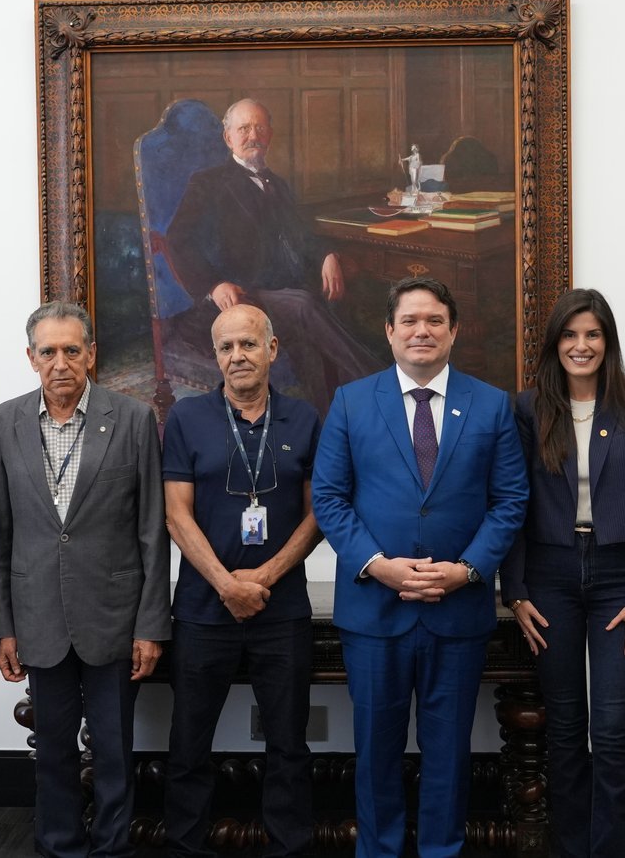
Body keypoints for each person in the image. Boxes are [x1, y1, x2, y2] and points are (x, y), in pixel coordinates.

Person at [312, 277, 527, 858]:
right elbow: (329, 498)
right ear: (389, 331)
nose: (421, 331)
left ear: (454, 331)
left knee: (450, 753)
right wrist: (377, 565)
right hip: (374, 611)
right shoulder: (351, 401)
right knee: (375, 751)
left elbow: (510, 500)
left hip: (457, 610)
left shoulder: (492, 404)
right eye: (409, 320)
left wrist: (468, 570)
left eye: (434, 320)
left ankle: (441, 850)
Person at [0, 301, 171, 858]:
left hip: (115, 617)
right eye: (48, 351)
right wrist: (1, 627)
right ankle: (59, 844)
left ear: (91, 353)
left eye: (71, 350)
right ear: (30, 357)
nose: (60, 363)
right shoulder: (4, 422)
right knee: (52, 752)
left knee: (114, 750)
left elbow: (152, 531)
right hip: (38, 616)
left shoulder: (133, 419)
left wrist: (150, 625)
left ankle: (112, 847)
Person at [503, 288, 625, 856]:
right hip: (549, 577)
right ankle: (572, 848)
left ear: (607, 341)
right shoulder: (528, 409)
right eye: (570, 335)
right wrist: (515, 589)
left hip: (619, 578)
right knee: (566, 729)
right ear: (555, 343)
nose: (581, 345)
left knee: (613, 730)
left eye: (592, 334)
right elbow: (512, 502)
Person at [162, 304, 323, 858]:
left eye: (249, 344)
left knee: (289, 744)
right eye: (226, 347)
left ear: (271, 349)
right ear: (215, 356)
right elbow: (176, 515)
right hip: (203, 610)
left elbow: (319, 514)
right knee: (188, 743)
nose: (238, 356)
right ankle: (185, 847)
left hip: (283, 611)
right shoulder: (186, 418)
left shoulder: (304, 418)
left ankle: (290, 846)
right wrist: (225, 584)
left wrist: (264, 576)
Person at [166, 97, 376, 412]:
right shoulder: (208, 183)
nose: (253, 136)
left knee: (318, 326)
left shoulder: (278, 184)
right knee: (305, 304)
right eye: (244, 129)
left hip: (282, 295)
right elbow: (177, 240)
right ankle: (383, 389)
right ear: (228, 138)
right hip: (237, 298)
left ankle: (335, 422)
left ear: (270, 136)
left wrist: (326, 255)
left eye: (260, 128)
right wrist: (213, 285)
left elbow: (303, 236)